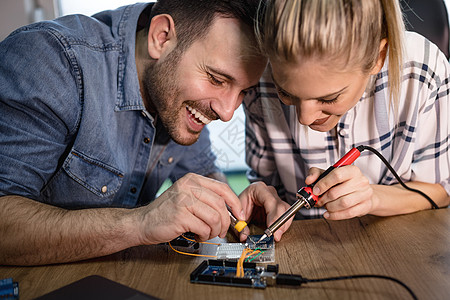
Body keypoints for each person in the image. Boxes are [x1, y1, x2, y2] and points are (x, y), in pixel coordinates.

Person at [0, 0, 292, 266]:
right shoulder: (51, 60)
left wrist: (234, 209)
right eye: (217, 79)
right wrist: (141, 223)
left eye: (243, 91)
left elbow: (203, 175)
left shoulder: (179, 98)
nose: (228, 112)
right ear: (161, 37)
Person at [244, 0, 450, 220]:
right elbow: (265, 186)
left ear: (378, 57)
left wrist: (372, 198)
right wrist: (265, 200)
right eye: (285, 93)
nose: (304, 119)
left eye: (329, 98)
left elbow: (442, 192)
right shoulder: (258, 73)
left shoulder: (424, 71)